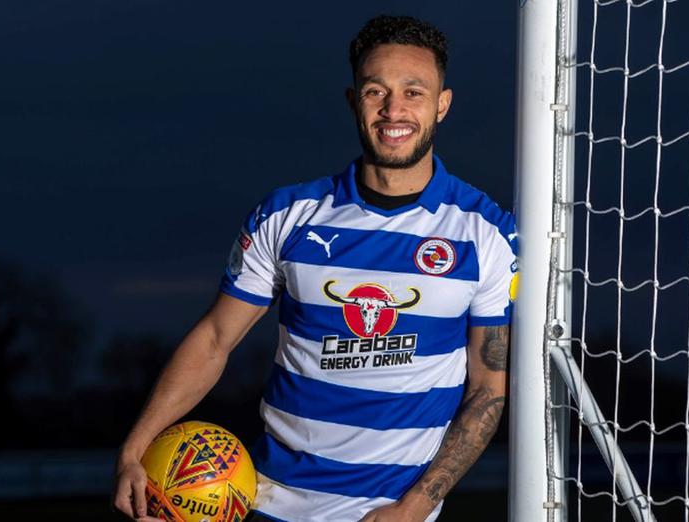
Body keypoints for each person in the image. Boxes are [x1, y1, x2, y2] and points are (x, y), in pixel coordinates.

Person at [113, 14, 517, 522]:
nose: (394, 110)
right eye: (376, 91)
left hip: (390, 514)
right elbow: (215, 338)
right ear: (354, 101)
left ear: (442, 104)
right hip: (269, 503)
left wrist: (416, 506)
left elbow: (486, 390)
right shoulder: (286, 216)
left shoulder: (486, 234)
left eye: (414, 92)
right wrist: (135, 448)